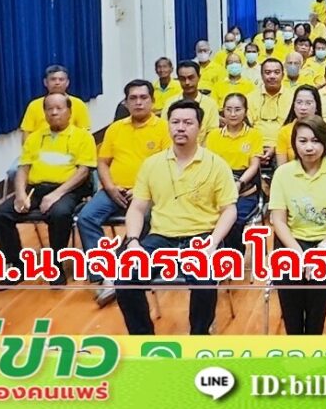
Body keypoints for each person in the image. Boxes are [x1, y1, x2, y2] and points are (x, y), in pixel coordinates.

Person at [115, 99, 238, 335]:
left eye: (188, 123)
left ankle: (198, 336)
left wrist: (213, 242)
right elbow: (137, 208)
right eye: (175, 122)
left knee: (204, 283)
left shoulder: (217, 165)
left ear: (199, 127)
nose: (181, 128)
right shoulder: (152, 164)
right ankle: (143, 338)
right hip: (160, 237)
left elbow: (229, 210)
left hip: (201, 237)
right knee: (125, 279)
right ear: (168, 125)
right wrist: (132, 241)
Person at [78, 80, 170, 306]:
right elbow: (102, 162)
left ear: (152, 101)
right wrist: (109, 186)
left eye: (143, 98)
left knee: (146, 219)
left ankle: (118, 270)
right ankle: (103, 273)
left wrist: (142, 190)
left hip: (148, 193)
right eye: (133, 98)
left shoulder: (164, 128)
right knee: (86, 217)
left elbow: (168, 165)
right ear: (126, 103)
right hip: (115, 190)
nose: (138, 102)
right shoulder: (115, 128)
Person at [0, 93, 96, 288]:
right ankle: (17, 265)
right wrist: (20, 194)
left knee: (59, 213)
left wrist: (56, 195)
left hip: (69, 189)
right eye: (49, 109)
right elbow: (23, 168)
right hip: (37, 188)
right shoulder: (35, 138)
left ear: (69, 112)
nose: (54, 113)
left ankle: (55, 265)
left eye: (59, 108)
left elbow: (83, 172)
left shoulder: (83, 137)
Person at [268, 116, 326, 334]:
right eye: (303, 141)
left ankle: (314, 338)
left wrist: (321, 251)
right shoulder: (282, 173)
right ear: (294, 143)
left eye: (315, 141)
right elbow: (278, 220)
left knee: (320, 278)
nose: (309, 147)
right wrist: (298, 253)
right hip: (292, 242)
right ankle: (296, 340)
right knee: (289, 280)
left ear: (325, 142)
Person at [206, 93, 263, 255]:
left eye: (237, 109)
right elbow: (210, 164)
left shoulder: (254, 134)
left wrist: (239, 184)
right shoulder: (214, 135)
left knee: (235, 219)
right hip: (218, 186)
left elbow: (254, 166)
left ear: (245, 111)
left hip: (244, 188)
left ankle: (234, 255)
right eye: (228, 109)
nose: (232, 114)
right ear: (223, 111)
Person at [19, 65, 90, 142]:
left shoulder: (79, 104)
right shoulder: (34, 105)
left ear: (67, 83)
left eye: (61, 79)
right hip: (41, 147)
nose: (57, 83)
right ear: (45, 82)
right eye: (53, 79)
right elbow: (26, 134)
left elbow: (84, 134)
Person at [276, 86, 326, 165]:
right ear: (294, 106)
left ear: (316, 106)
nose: (303, 107)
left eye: (308, 103)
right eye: (299, 102)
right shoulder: (284, 131)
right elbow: (282, 167)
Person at [247, 58, 292, 164]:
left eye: (276, 72)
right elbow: (247, 127)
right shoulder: (250, 98)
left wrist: (275, 148)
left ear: (283, 75)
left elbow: (293, 128)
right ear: (262, 75)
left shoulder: (292, 97)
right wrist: (257, 147)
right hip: (254, 146)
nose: (272, 76)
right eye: (267, 72)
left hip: (284, 146)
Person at [162, 61, 218, 142]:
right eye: (183, 79)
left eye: (191, 78)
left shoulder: (210, 104)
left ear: (199, 77)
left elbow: (212, 135)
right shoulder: (170, 103)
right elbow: (165, 132)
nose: (187, 82)